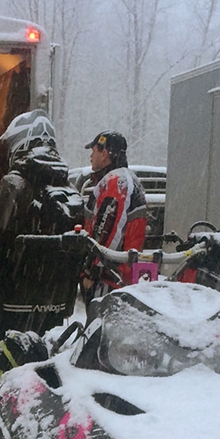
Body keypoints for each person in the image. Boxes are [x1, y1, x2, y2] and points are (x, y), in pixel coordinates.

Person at [0, 110, 85, 342]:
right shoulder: (68, 187)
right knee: (47, 354)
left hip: (16, 301)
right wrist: (66, 302)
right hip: (54, 302)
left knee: (4, 357)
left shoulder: (13, 184)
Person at [80, 130, 148, 308]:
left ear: (104, 153)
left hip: (111, 280)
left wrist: (92, 270)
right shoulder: (121, 179)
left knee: (101, 323)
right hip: (118, 276)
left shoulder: (116, 182)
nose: (91, 156)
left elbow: (107, 230)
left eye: (93, 151)